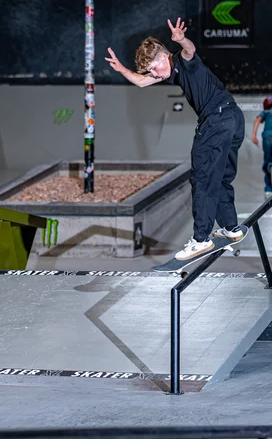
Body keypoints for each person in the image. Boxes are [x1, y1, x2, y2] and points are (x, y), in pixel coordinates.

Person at [105, 18, 245, 261]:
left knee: (202, 177)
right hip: (233, 118)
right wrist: (121, 69)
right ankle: (231, 229)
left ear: (162, 58)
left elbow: (190, 50)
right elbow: (140, 82)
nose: (153, 75)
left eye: (153, 69)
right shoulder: (169, 69)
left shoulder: (183, 61)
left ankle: (200, 239)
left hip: (215, 122)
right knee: (221, 176)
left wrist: (181, 40)